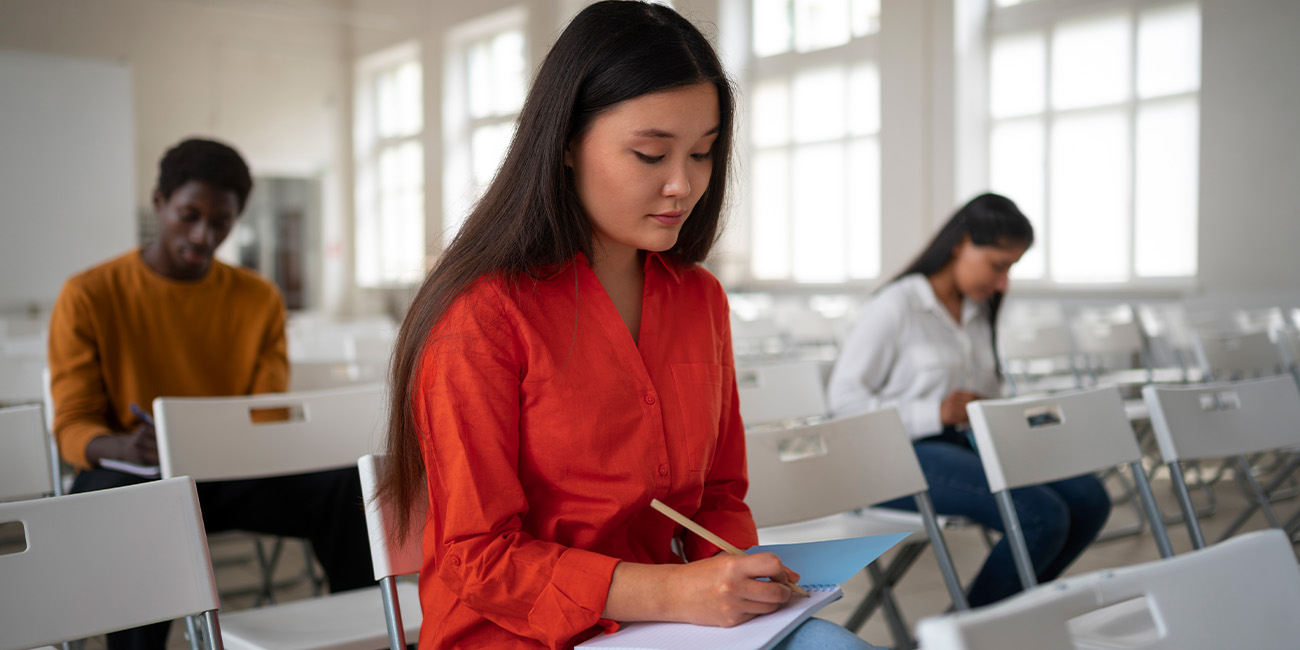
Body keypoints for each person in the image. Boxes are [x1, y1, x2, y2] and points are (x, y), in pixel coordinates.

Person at [374, 3, 881, 649]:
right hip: (516, 633)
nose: (683, 185)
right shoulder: (482, 317)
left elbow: (718, 495)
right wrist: (676, 592)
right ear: (563, 144)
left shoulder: (698, 299)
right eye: (649, 154)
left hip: (671, 624)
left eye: (703, 153)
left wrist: (741, 578)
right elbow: (479, 558)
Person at [47, 137, 373, 650]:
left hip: (229, 471)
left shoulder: (257, 297)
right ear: (159, 202)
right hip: (138, 475)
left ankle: (371, 630)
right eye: (188, 214)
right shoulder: (89, 295)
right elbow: (72, 425)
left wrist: (216, 438)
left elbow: (265, 413)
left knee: (348, 484)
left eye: (220, 221)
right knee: (134, 506)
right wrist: (122, 447)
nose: (203, 234)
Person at [826, 193, 1112, 608]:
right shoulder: (896, 306)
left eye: (1011, 269)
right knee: (1039, 515)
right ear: (962, 243)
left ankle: (1010, 615)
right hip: (892, 459)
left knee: (1089, 498)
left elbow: (990, 395)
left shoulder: (978, 312)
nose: (1003, 283)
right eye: (999, 265)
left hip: (963, 447)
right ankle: (963, 635)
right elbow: (844, 406)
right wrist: (936, 411)